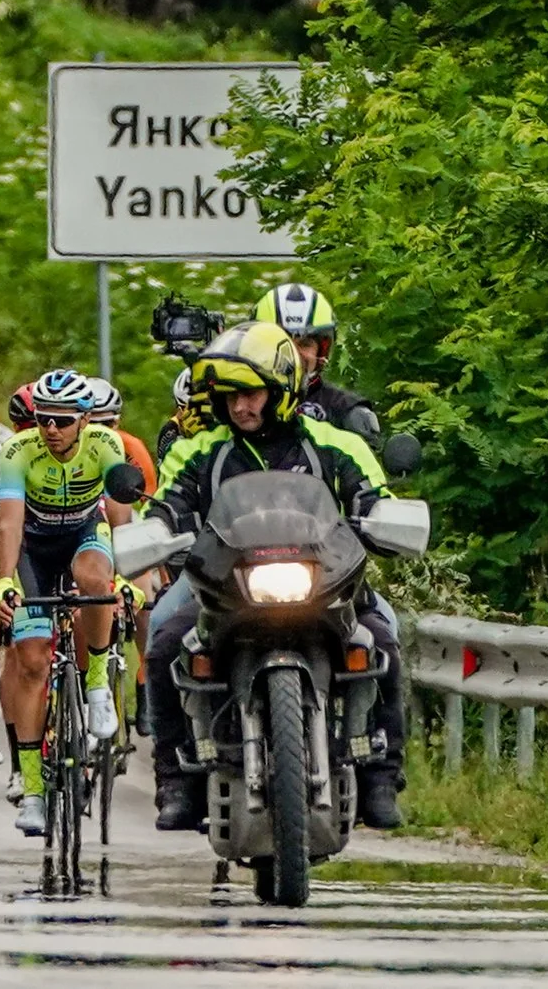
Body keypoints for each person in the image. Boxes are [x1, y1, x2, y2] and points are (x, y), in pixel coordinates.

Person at [145, 321, 406, 834]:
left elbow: (375, 497)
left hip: (323, 583)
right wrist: (157, 527)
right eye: (230, 396)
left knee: (383, 641)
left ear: (282, 389)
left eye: (252, 393)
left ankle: (381, 775)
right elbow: (165, 503)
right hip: (223, 589)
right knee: (163, 643)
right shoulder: (197, 450)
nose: (241, 407)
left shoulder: (334, 444)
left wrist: (381, 517)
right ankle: (176, 780)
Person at [0, 368, 132, 836]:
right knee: (30, 661)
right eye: (43, 419)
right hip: (33, 548)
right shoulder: (17, 451)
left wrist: (126, 578)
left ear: (85, 420)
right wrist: (6, 580)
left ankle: (95, 684)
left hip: (83, 536)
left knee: (96, 578)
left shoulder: (107, 447)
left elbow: (121, 520)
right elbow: (9, 524)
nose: (51, 430)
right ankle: (32, 790)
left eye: (62, 421)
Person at [253, 282, 383, 449]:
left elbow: (369, 472)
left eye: (305, 344)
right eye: (282, 342)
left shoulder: (347, 413)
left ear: (322, 350)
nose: (293, 353)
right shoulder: (234, 403)